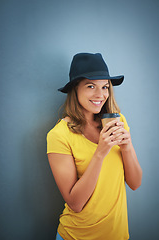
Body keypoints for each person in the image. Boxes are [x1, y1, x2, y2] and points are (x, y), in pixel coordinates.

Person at [47, 53, 142, 240]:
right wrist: (100, 153)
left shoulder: (118, 121)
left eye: (105, 87)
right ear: (75, 89)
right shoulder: (59, 135)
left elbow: (135, 183)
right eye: (91, 86)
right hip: (76, 235)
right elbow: (75, 203)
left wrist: (127, 147)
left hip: (118, 235)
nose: (100, 95)